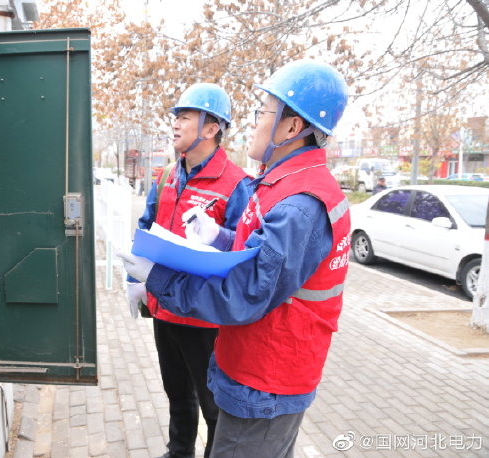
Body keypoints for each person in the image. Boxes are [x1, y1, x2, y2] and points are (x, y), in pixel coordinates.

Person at [118, 60, 350, 458]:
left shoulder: (297, 203)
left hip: (265, 377)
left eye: (263, 113)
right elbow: (255, 253)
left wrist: (157, 279)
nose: (254, 124)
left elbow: (246, 292)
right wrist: (221, 238)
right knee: (179, 397)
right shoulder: (278, 183)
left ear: (292, 127)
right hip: (247, 360)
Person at [126, 82, 252, 458]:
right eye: (176, 117)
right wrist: (135, 279)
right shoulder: (168, 175)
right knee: (177, 394)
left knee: (213, 406)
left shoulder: (237, 184)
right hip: (164, 307)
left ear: (211, 128)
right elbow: (146, 227)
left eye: (184, 117)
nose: (175, 124)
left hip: (203, 318)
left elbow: (244, 251)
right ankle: (179, 451)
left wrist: (218, 237)